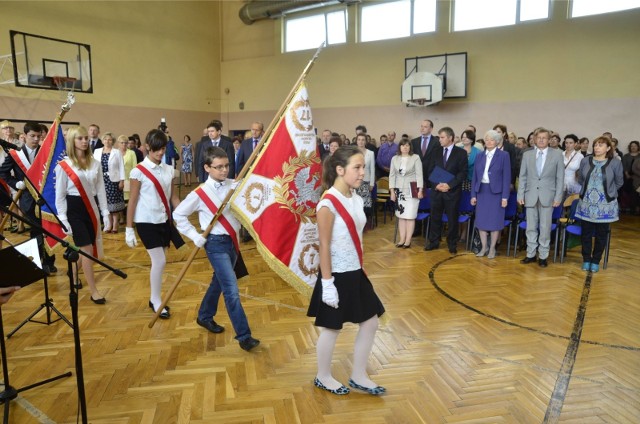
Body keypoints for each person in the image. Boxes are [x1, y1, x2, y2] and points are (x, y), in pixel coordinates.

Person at [307, 145, 385, 396]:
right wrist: (327, 283)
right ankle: (323, 376)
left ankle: (359, 375)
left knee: (371, 322)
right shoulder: (328, 204)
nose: (363, 172)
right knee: (332, 328)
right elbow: (325, 245)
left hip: (355, 272)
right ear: (340, 170)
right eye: (357, 167)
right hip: (336, 275)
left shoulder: (357, 197)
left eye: (363, 167)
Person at [173, 146, 260, 351]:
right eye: (218, 167)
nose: (224, 170)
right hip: (215, 244)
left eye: (226, 166)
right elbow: (178, 215)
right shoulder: (200, 193)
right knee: (231, 290)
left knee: (218, 283)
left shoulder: (234, 186)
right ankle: (244, 336)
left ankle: (204, 316)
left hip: (233, 242)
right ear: (207, 167)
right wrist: (195, 236)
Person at [126, 129, 184, 319]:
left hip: (164, 221)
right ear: (148, 147)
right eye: (156, 149)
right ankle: (157, 300)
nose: (160, 152)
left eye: (163, 148)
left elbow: (173, 197)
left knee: (159, 263)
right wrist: (128, 229)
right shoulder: (138, 172)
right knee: (160, 261)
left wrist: (183, 215)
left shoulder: (169, 170)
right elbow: (132, 201)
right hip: (145, 221)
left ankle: (154, 298)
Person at [55, 125, 110, 304]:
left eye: (86, 138)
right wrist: (63, 218)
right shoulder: (64, 166)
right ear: (72, 141)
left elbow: (101, 190)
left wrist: (106, 213)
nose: (85, 141)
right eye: (80, 138)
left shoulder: (95, 163)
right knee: (87, 250)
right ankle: (94, 290)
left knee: (91, 252)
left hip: (91, 207)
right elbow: (60, 195)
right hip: (74, 209)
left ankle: (73, 271)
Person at [0, 121, 57, 274]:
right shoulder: (15, 155)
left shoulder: (46, 152)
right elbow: (3, 173)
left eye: (39, 136)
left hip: (46, 199)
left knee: (49, 230)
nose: (36, 139)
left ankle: (50, 262)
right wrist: (15, 183)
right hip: (27, 199)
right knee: (36, 231)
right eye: (32, 136)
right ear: (24, 136)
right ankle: (39, 262)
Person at [575, 136, 623, 272]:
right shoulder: (585, 161)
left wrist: (609, 193)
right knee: (586, 233)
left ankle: (596, 260)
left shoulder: (615, 163)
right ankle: (586, 259)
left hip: (605, 206)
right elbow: (581, 179)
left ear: (608, 148)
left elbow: (619, 182)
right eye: (595, 145)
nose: (597, 147)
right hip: (586, 203)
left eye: (600, 145)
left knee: (602, 234)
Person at [517, 128, 564, 268]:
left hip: (548, 196)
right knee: (531, 227)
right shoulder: (527, 155)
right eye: (539, 138)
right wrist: (520, 194)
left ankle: (543, 255)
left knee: (545, 227)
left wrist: (558, 197)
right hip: (530, 195)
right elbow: (523, 176)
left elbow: (560, 178)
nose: (542, 140)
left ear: (549, 140)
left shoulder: (557, 155)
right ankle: (530, 254)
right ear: (535, 139)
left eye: (545, 138)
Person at [425, 127, 468, 254]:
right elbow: (430, 170)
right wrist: (435, 185)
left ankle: (452, 243)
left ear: (450, 138)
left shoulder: (461, 153)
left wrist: (449, 185)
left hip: (452, 192)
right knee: (435, 217)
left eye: (442, 137)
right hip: (437, 191)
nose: (440, 140)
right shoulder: (436, 151)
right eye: (439, 137)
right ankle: (434, 242)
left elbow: (463, 173)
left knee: (452, 219)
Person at [470, 130, 511, 259]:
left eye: (492, 139)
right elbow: (474, 177)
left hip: (496, 193)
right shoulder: (479, 155)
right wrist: (473, 195)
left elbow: (506, 177)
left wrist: (505, 197)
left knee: (494, 222)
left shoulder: (504, 155)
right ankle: (484, 247)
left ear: (497, 142)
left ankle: (492, 248)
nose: (488, 142)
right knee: (481, 222)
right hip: (482, 191)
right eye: (487, 139)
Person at [389, 139, 424, 248]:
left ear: (410, 147)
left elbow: (419, 175)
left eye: (407, 145)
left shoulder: (416, 158)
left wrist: (420, 190)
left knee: (410, 216)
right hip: (399, 191)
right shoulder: (394, 158)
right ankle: (401, 239)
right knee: (401, 216)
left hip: (412, 190)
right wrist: (392, 191)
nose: (405, 147)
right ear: (399, 147)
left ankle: (408, 240)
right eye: (403, 145)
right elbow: (392, 175)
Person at [93, 132, 125, 233]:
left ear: (113, 141)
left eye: (110, 139)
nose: (107, 141)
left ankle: (115, 225)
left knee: (113, 204)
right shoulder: (97, 151)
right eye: (105, 139)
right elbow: (94, 166)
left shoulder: (117, 152)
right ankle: (108, 224)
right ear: (102, 141)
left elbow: (121, 167)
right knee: (105, 204)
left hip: (113, 181)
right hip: (101, 180)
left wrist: (122, 181)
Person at [354, 134, 376, 218]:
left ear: (366, 141)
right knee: (355, 203)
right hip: (355, 181)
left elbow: (372, 169)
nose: (361, 141)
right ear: (356, 141)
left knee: (364, 204)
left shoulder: (371, 153)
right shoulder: (353, 152)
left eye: (363, 140)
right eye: (359, 139)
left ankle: (364, 222)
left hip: (366, 181)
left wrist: (371, 183)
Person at [411, 119, 438, 187]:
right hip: (416, 175)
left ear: (431, 129)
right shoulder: (414, 142)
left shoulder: (437, 142)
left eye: (425, 127)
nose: (422, 128)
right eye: (421, 126)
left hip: (432, 175)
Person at [622, 140, 640, 214]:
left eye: (635, 146)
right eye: (632, 146)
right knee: (628, 193)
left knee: (637, 194)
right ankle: (629, 208)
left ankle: (637, 209)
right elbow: (624, 166)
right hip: (628, 177)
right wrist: (627, 175)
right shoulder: (626, 156)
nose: (633, 147)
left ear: (638, 147)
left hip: (638, 178)